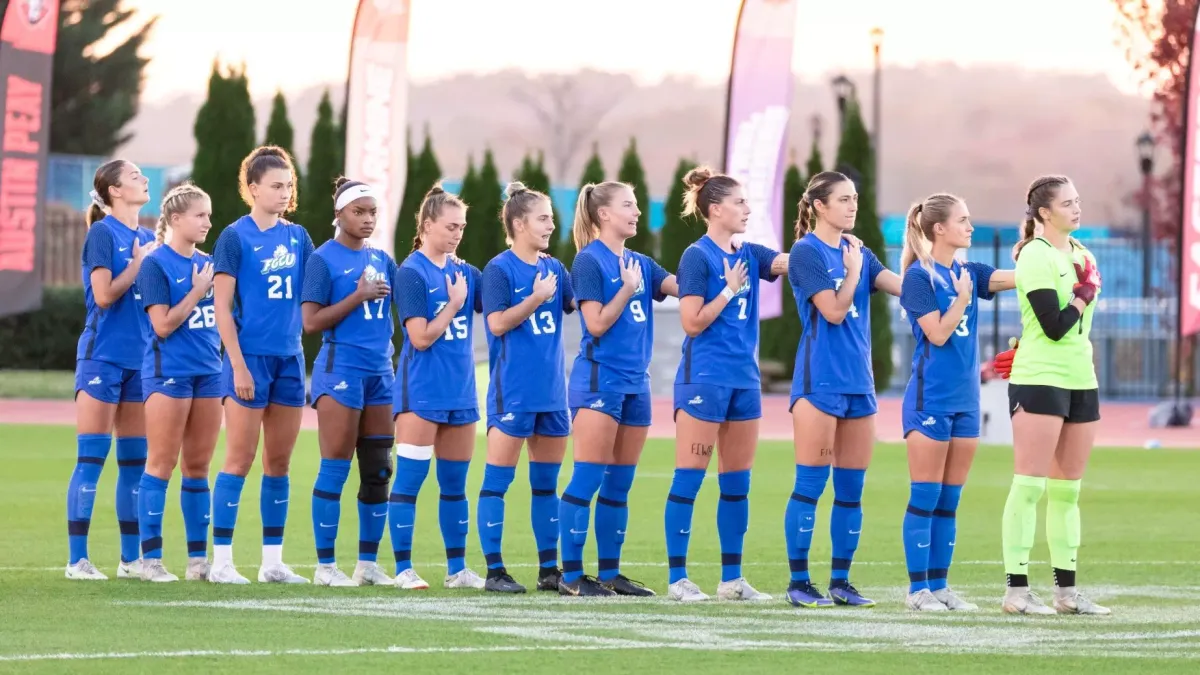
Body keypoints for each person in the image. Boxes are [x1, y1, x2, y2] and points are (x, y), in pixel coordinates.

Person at [664, 167, 788, 603]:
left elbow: (787, 263)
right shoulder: (697, 257)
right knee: (689, 478)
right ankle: (678, 578)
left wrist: (828, 243)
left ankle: (732, 579)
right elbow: (691, 321)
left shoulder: (748, 251)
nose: (748, 209)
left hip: (744, 382)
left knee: (737, 483)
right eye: (739, 202)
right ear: (715, 210)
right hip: (705, 380)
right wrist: (728, 291)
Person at [991, 175, 1109, 615]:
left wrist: (1084, 295)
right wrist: (1081, 297)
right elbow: (1055, 326)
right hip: (1041, 377)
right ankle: (1016, 592)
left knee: (1068, 492)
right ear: (1044, 213)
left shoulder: (1083, 254)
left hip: (1081, 379)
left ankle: (1067, 594)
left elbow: (1081, 331)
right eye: (1067, 203)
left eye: (1078, 201)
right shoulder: (1035, 256)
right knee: (1029, 485)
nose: (1077, 209)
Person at [785, 170, 902, 608]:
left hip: (860, 386)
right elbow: (834, 311)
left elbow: (900, 286)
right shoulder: (806, 252)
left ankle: (840, 582)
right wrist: (853, 274)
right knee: (810, 487)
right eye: (844, 199)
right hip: (820, 384)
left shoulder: (859, 250)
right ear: (819, 206)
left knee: (851, 491)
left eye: (855, 197)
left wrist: (938, 270)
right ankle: (799, 582)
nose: (854, 206)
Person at [557, 180, 677, 597]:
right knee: (587, 477)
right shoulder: (589, 261)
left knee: (619, 484)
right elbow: (595, 324)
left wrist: (727, 264)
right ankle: (570, 576)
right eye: (628, 205)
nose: (637, 212)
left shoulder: (641, 261)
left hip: (635, 384)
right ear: (603, 214)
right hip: (599, 380)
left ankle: (610, 573)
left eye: (637, 205)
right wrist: (626, 290)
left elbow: (682, 287)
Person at [897, 193, 1015, 610]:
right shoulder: (918, 278)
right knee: (925, 496)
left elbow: (1011, 277)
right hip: (930, 400)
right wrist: (963, 299)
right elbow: (939, 334)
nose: (971, 227)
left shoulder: (967, 270)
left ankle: (941, 586)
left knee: (950, 499)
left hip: (966, 400)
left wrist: (1051, 263)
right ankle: (917, 590)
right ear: (939, 229)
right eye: (963, 220)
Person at [210, 146, 314, 584]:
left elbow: (315, 295)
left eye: (288, 185)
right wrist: (237, 365)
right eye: (276, 185)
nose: (285, 192)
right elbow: (221, 307)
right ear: (252, 188)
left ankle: (273, 562)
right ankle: (222, 562)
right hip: (249, 359)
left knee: (280, 463)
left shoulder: (299, 237)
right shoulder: (235, 237)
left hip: (290, 359)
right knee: (239, 459)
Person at [476, 182, 575, 594]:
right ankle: (495, 571)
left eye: (551, 218)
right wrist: (535, 298)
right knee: (497, 482)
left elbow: (578, 303)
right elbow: (496, 324)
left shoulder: (556, 268)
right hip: (513, 392)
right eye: (544, 218)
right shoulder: (499, 270)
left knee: (546, 485)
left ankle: (548, 570)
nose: (552, 225)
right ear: (519, 223)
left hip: (552, 393)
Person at [388, 184, 486, 591]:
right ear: (427, 225)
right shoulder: (411, 272)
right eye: (450, 226)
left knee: (455, 486)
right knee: (409, 482)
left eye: (462, 227)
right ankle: (404, 569)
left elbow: (499, 303)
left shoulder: (466, 272)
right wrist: (453, 305)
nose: (457, 233)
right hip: (421, 393)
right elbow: (421, 337)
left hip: (460, 393)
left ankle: (457, 569)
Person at [300, 178, 397, 587]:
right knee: (336, 465)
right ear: (338, 214)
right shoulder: (323, 260)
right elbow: (310, 322)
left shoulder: (384, 259)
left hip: (381, 373)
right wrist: (357, 296)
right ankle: (325, 566)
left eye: (373, 211)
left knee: (378, 469)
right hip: (340, 371)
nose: (367, 219)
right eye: (359, 211)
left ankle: (367, 564)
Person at [67, 160, 155, 580]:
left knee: (135, 463)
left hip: (141, 362)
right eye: (136, 175)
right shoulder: (102, 233)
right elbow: (103, 296)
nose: (144, 180)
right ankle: (77, 561)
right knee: (91, 458)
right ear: (115, 190)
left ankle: (130, 560)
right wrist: (139, 266)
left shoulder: (149, 237)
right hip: (102, 357)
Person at [134, 183, 222, 582]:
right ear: (175, 219)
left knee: (198, 467)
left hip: (209, 374)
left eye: (207, 214)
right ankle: (150, 560)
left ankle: (197, 563)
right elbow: (163, 324)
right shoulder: (156, 264)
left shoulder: (210, 260)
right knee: (162, 463)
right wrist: (197, 291)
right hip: (168, 372)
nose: (207, 222)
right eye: (200, 215)